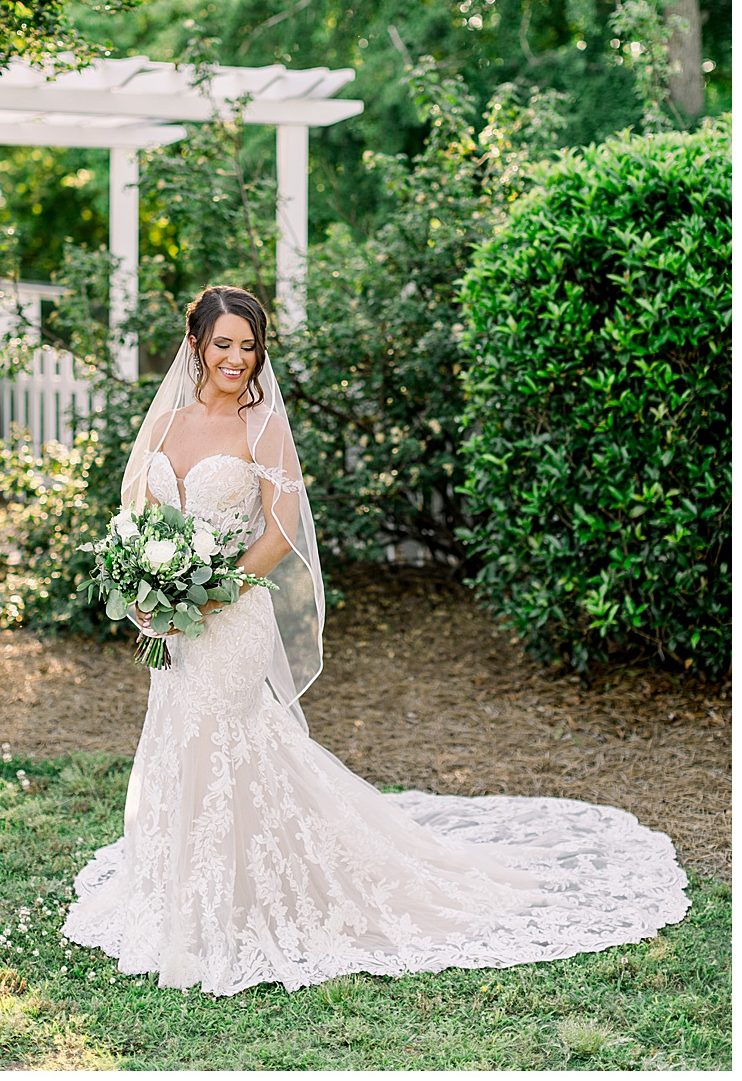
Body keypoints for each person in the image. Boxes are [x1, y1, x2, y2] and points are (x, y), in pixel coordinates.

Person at [61, 284, 689, 996]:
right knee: (179, 743)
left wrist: (213, 593)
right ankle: (187, 897)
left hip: (230, 618)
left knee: (230, 744)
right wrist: (150, 598)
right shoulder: (167, 423)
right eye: (224, 344)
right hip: (173, 626)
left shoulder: (261, 426)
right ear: (196, 344)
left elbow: (280, 533)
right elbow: (138, 519)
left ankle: (244, 903)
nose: (237, 358)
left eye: (249, 345)